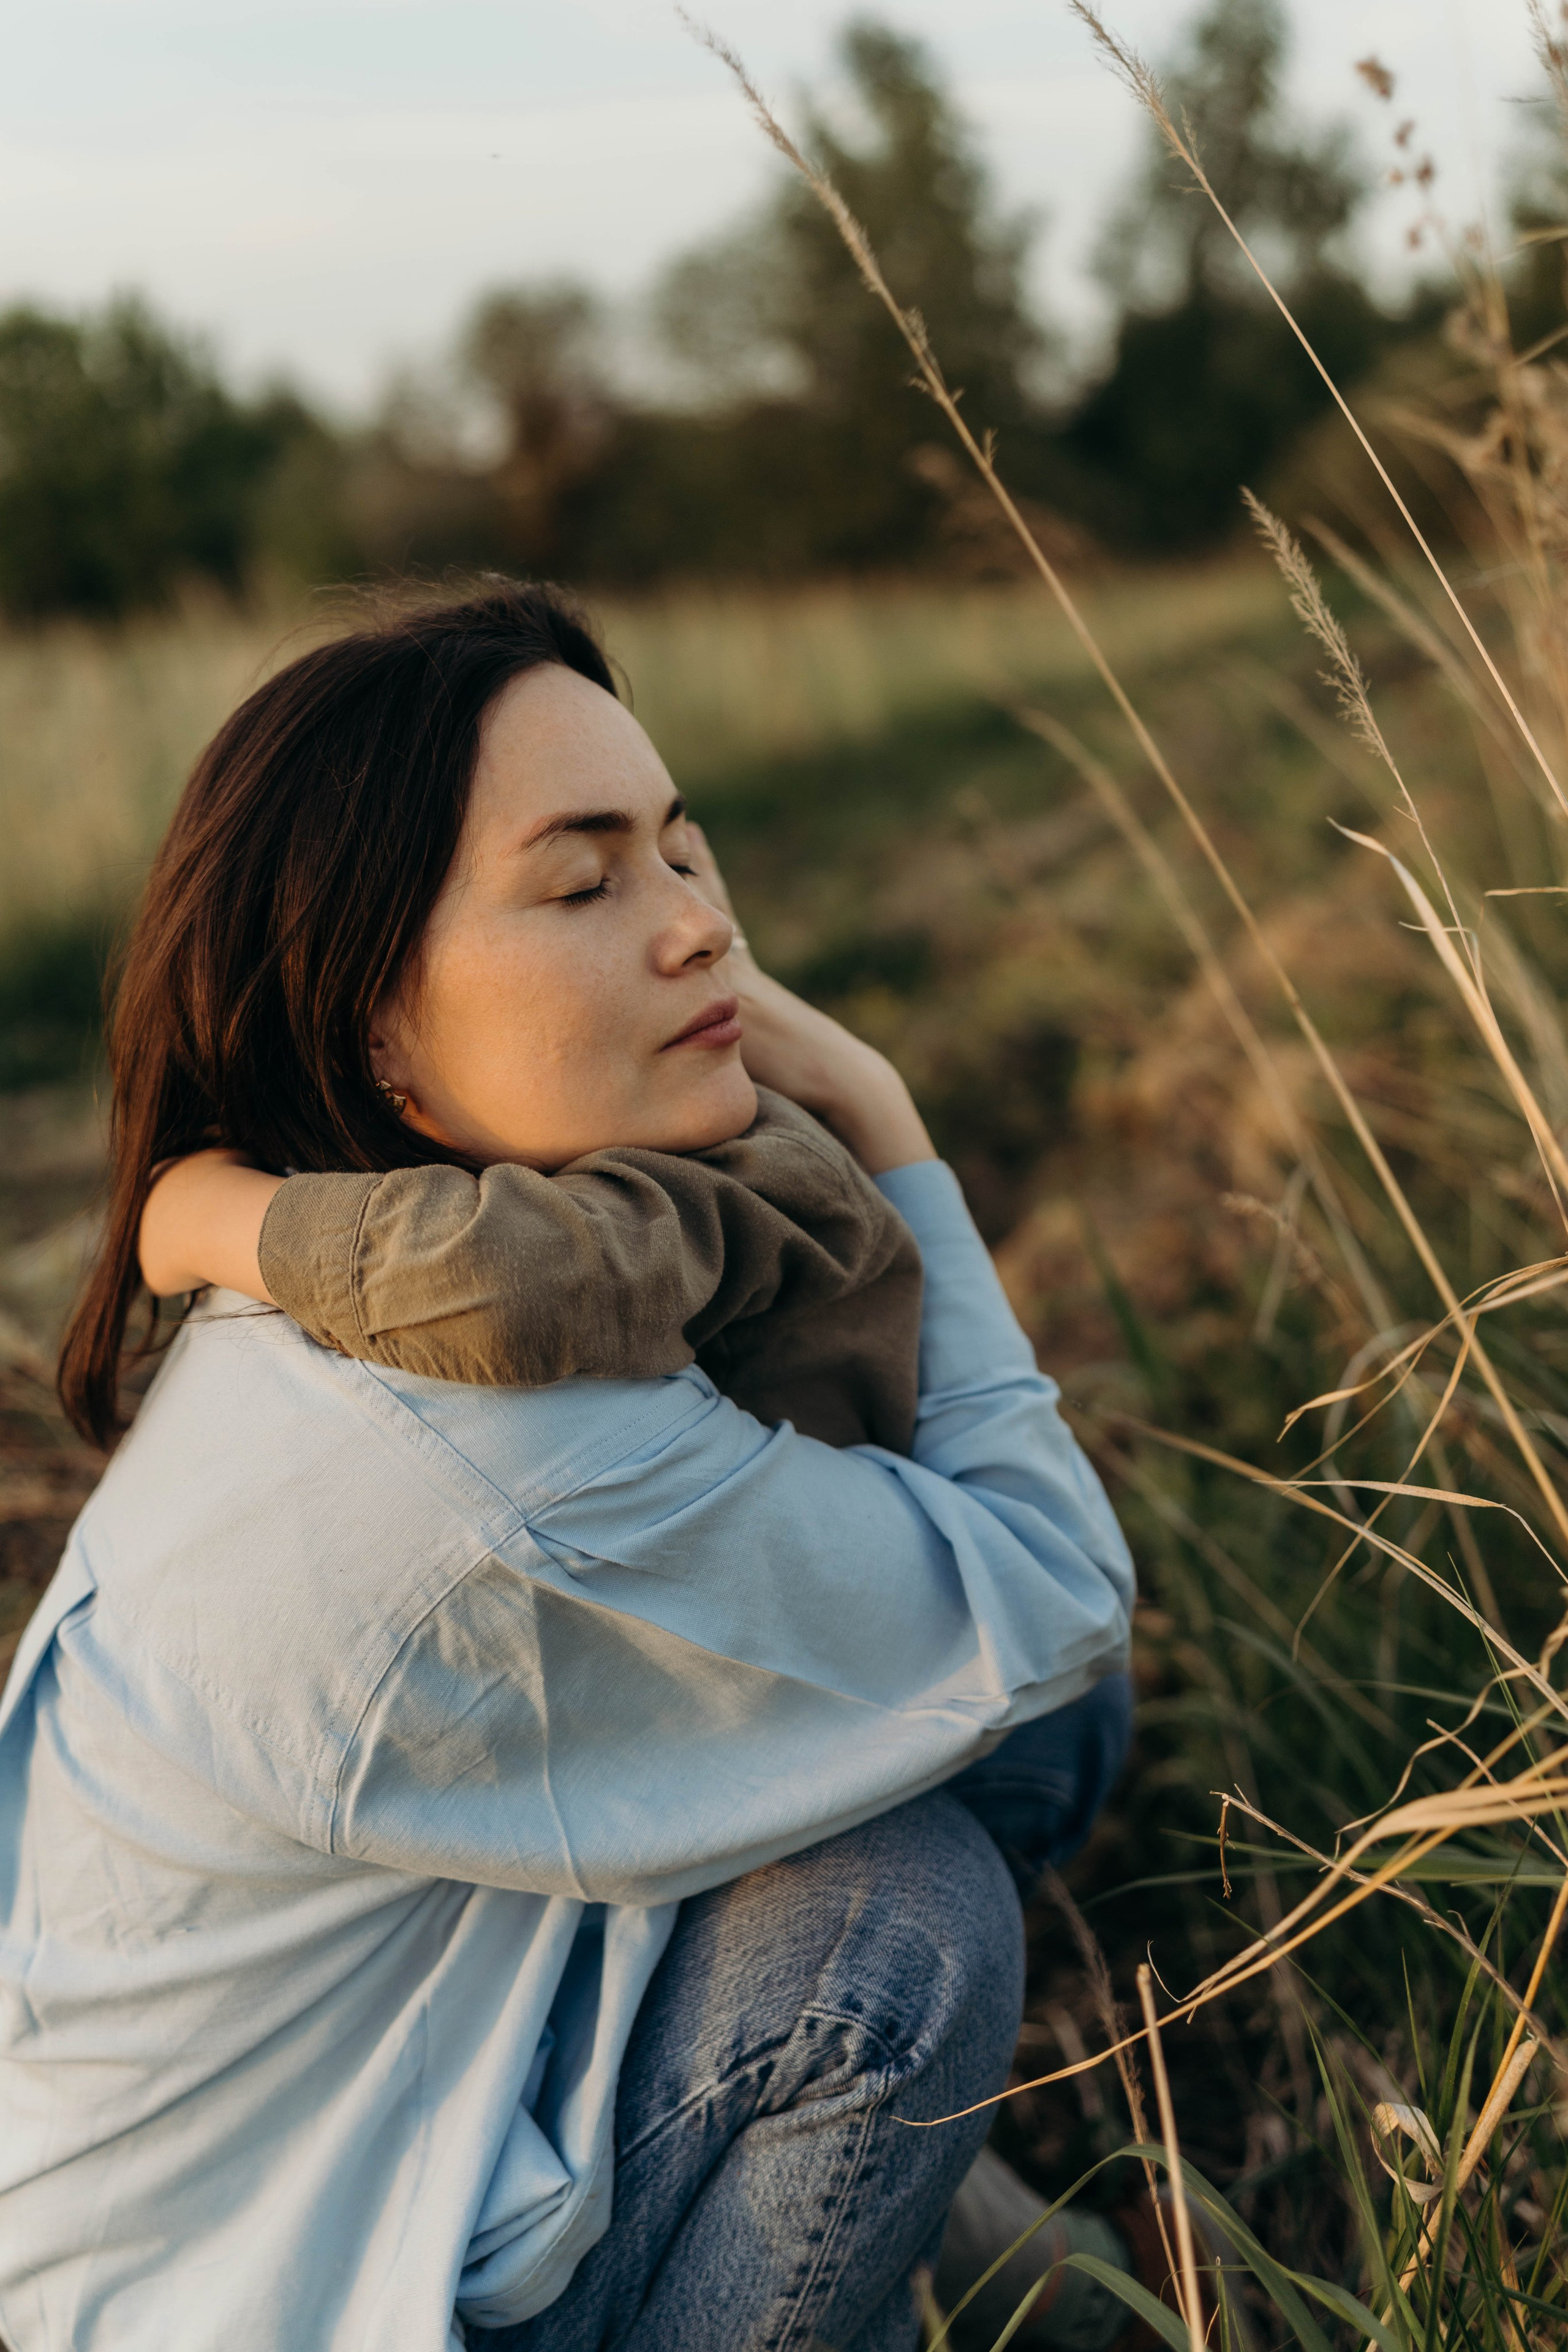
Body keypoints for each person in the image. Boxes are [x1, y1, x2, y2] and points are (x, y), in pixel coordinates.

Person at [0, 583, 1134, 2352]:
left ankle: (980, 2249)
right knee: (899, 1929)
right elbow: (1052, 1588)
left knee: (1000, 1726)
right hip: (264, 2301)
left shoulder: (375, 1269)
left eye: (682, 850)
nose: (701, 929)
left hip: (379, 2098)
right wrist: (888, 1121)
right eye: (583, 883)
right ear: (374, 1025)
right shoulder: (509, 1460)